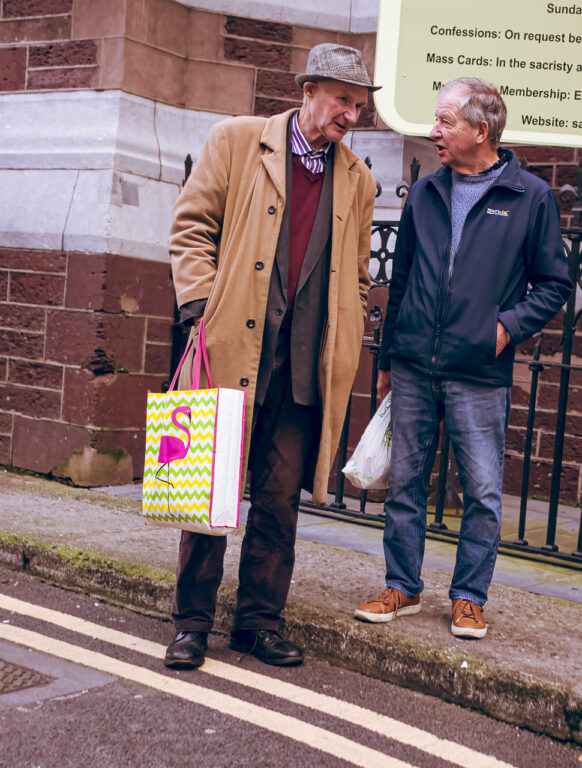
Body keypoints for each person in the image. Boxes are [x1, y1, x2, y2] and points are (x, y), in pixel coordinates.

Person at [164, 44, 379, 669]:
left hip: (304, 366)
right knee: (211, 493)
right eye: (343, 101)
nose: (351, 116)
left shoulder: (358, 178)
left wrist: (349, 324)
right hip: (231, 346)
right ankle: (191, 624)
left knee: (280, 501)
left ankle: (258, 622)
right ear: (309, 90)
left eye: (359, 106)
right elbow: (191, 226)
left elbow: (360, 274)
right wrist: (200, 307)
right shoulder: (236, 141)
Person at [355, 77, 572, 639]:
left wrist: (506, 329)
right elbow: (399, 282)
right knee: (405, 483)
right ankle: (401, 586)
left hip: (479, 368)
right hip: (411, 365)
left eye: (446, 121)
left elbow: (553, 284)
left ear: (482, 129)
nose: (434, 131)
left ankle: (469, 596)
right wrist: (386, 356)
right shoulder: (426, 192)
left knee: (481, 491)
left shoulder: (530, 197)